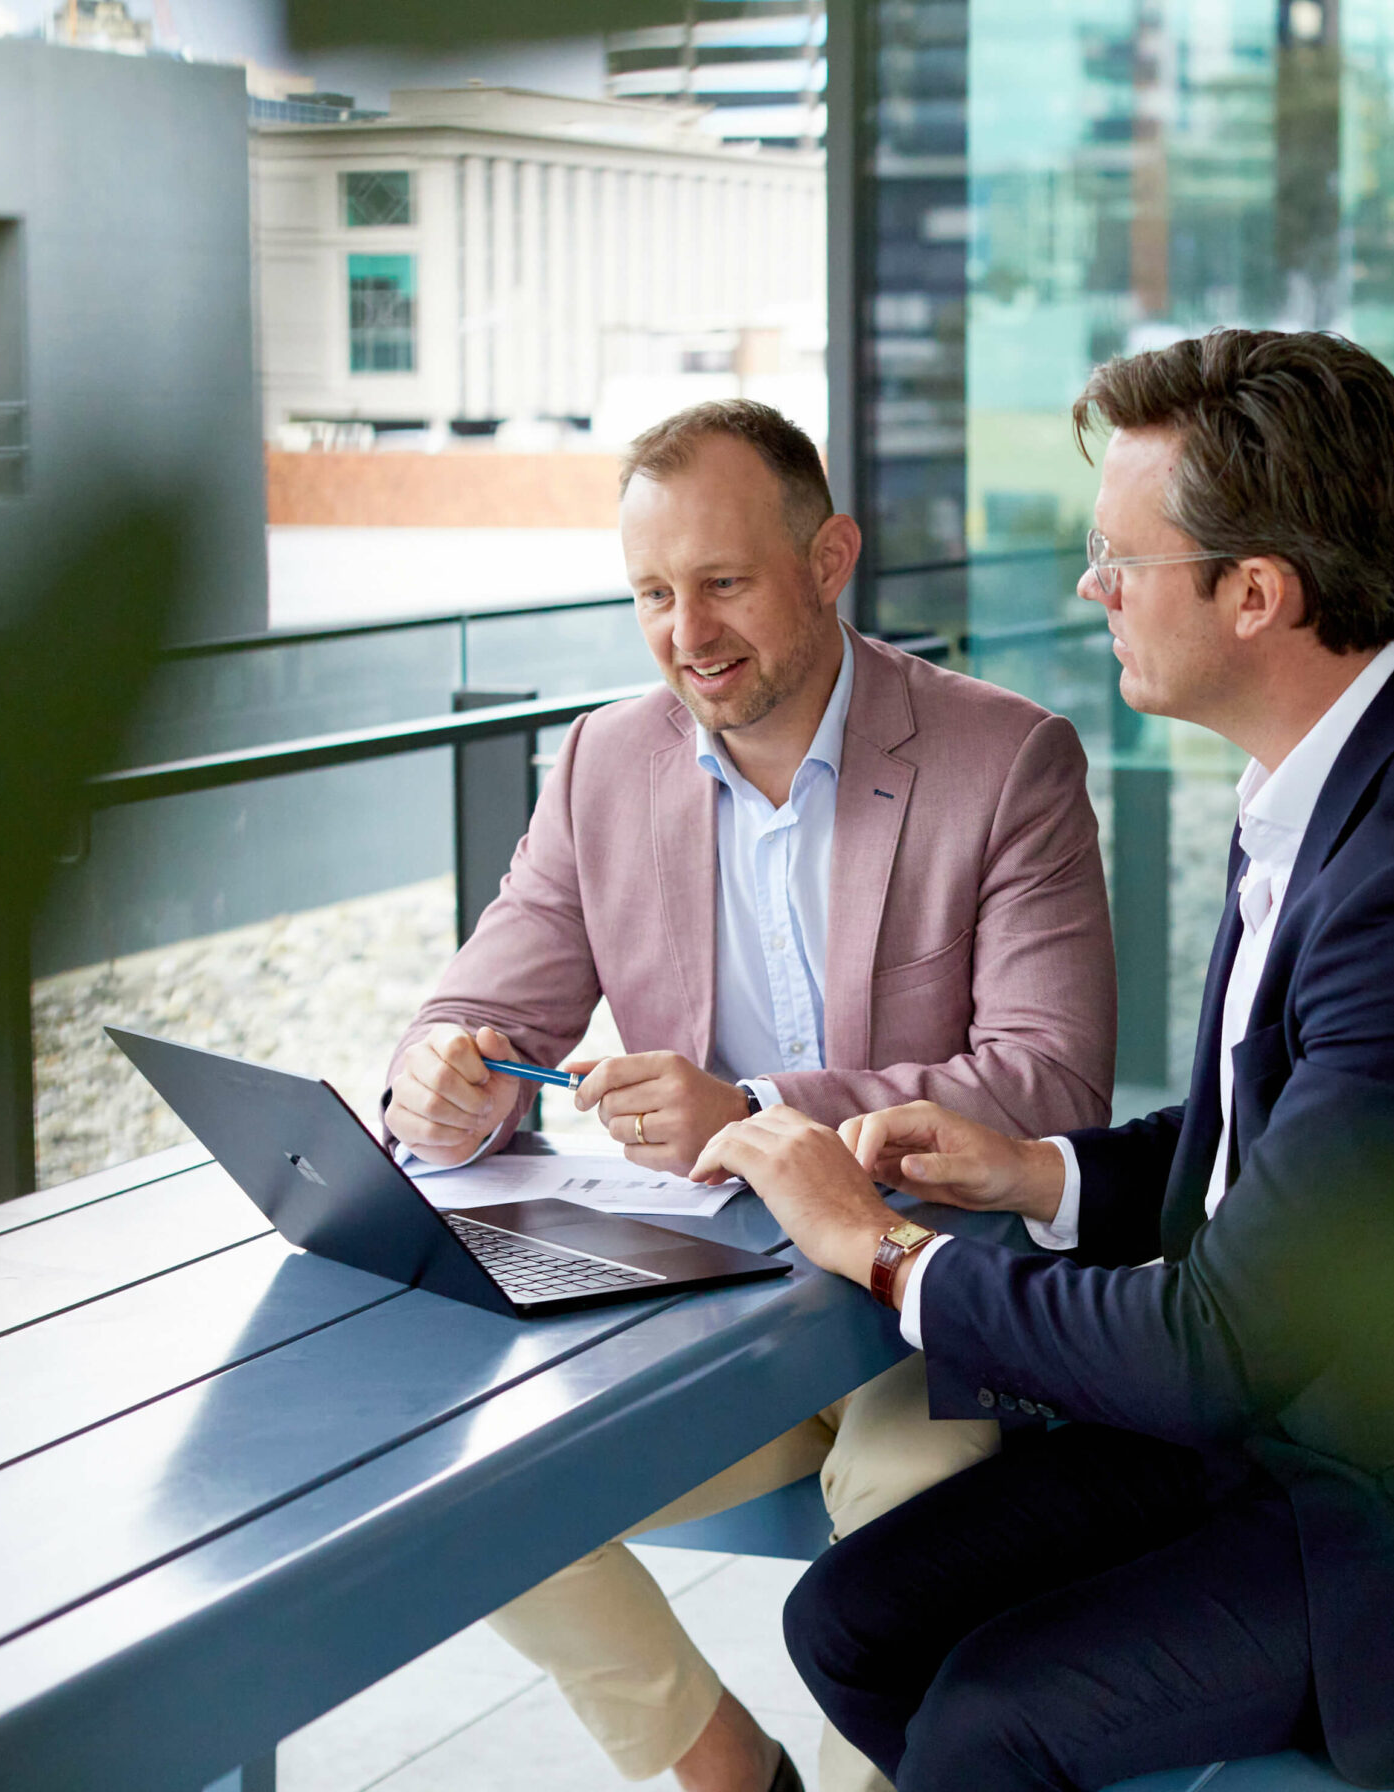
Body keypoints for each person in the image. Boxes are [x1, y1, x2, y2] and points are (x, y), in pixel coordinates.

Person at [691, 331, 1394, 1792]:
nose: (1091, 587)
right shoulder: (1347, 774)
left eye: (1122, 556)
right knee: (856, 1620)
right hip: (1312, 1417)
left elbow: (1212, 1350)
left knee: (997, 1716)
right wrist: (1038, 1171)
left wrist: (881, 1253)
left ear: (1257, 593)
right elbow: (1289, 1134)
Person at [382, 399, 1117, 1792]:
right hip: (699, 1302)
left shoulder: (1007, 758)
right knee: (460, 1479)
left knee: (907, 1523)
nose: (685, 634)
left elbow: (1051, 1079)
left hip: (933, 1291)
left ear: (830, 559)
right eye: (652, 594)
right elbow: (481, 1006)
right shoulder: (605, 761)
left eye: (722, 582)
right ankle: (724, 1768)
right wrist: (443, 1079)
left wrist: (754, 1113)